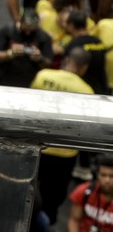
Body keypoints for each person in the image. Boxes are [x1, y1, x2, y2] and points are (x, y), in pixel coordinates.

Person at [32, 48, 97, 222]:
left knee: (27, 185)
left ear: (66, 60)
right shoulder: (87, 90)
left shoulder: (44, 75)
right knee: (53, 194)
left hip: (38, 144)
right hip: (64, 152)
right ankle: (46, 221)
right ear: (84, 68)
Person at [0, 7, 54, 88]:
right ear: (20, 21)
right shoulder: (7, 31)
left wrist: (39, 58)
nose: (28, 33)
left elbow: (48, 63)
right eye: (26, 28)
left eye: (32, 30)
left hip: (30, 81)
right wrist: (11, 53)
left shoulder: (44, 37)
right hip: (5, 77)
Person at [68, 155, 113, 232]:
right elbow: (74, 220)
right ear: (97, 175)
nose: (107, 180)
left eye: (112, 176)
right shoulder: (84, 191)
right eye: (103, 175)